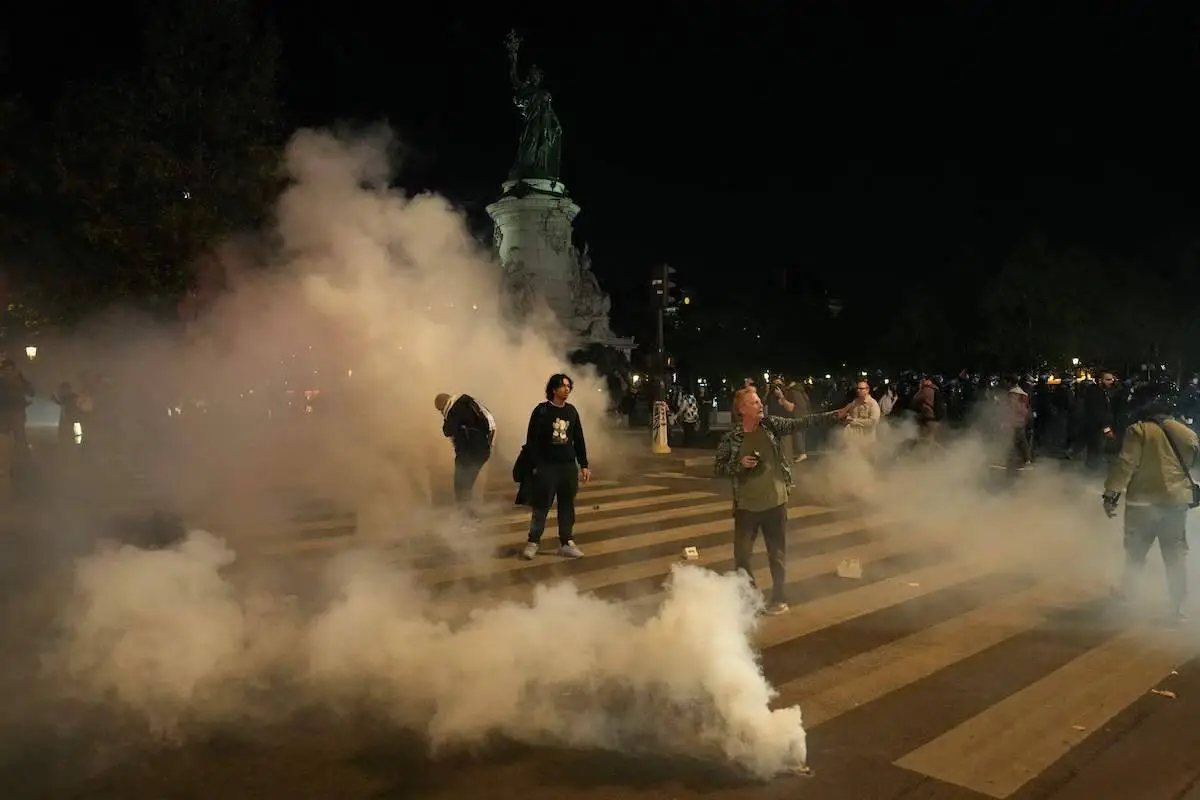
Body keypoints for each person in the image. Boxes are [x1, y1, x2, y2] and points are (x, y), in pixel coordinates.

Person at [714, 387, 836, 615]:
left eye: (760, 401)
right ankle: (751, 598)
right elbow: (719, 468)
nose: (760, 405)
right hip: (746, 507)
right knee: (742, 557)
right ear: (742, 409)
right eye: (754, 403)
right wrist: (739, 465)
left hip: (775, 503)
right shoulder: (731, 438)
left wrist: (836, 415)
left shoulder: (771, 425)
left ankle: (779, 598)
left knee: (777, 555)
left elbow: (802, 422)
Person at [1103, 384, 1198, 625]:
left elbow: (1125, 464)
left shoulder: (1139, 431)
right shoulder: (1187, 433)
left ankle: (1128, 594)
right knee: (1175, 556)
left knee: (1136, 551)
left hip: (1142, 503)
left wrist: (1111, 494)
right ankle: (1176, 608)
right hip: (1175, 503)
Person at [518, 373, 590, 560]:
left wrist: (584, 464)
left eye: (569, 386)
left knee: (567, 505)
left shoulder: (571, 411)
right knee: (541, 505)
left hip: (567, 466)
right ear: (553, 389)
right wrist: (534, 465)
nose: (567, 389)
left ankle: (566, 542)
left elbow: (578, 439)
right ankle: (533, 541)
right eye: (563, 386)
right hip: (547, 466)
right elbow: (532, 441)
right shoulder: (542, 411)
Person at [434, 392, 496, 513]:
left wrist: (446, 418)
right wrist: (488, 445)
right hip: (482, 451)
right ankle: (468, 515)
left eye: (440, 410)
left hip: (469, 454)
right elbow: (491, 424)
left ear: (443, 405)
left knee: (461, 487)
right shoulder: (469, 403)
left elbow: (447, 430)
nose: (441, 412)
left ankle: (467, 517)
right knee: (466, 486)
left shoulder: (454, 411)